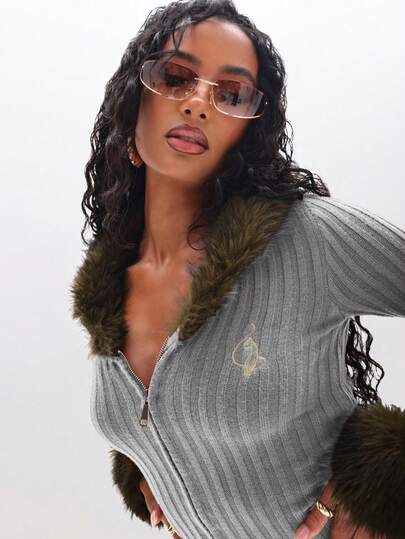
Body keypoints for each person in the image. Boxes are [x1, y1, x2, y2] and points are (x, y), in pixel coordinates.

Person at [70, 1, 405, 537]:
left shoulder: (305, 237)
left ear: (247, 131)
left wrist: (389, 470)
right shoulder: (110, 284)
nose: (198, 102)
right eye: (176, 77)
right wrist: (150, 460)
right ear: (134, 102)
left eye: (230, 93)